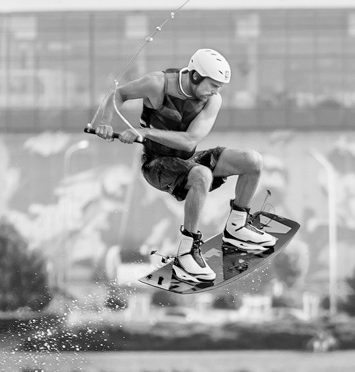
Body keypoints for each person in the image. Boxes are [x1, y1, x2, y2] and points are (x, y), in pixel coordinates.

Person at [94, 48, 275, 285]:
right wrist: (105, 124)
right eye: (213, 84)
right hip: (157, 164)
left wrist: (144, 131)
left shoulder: (213, 100)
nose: (216, 91)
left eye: (220, 86)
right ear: (196, 76)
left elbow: (190, 140)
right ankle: (187, 252)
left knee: (253, 161)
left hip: (187, 159)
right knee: (201, 175)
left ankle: (237, 227)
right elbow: (118, 94)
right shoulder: (157, 84)